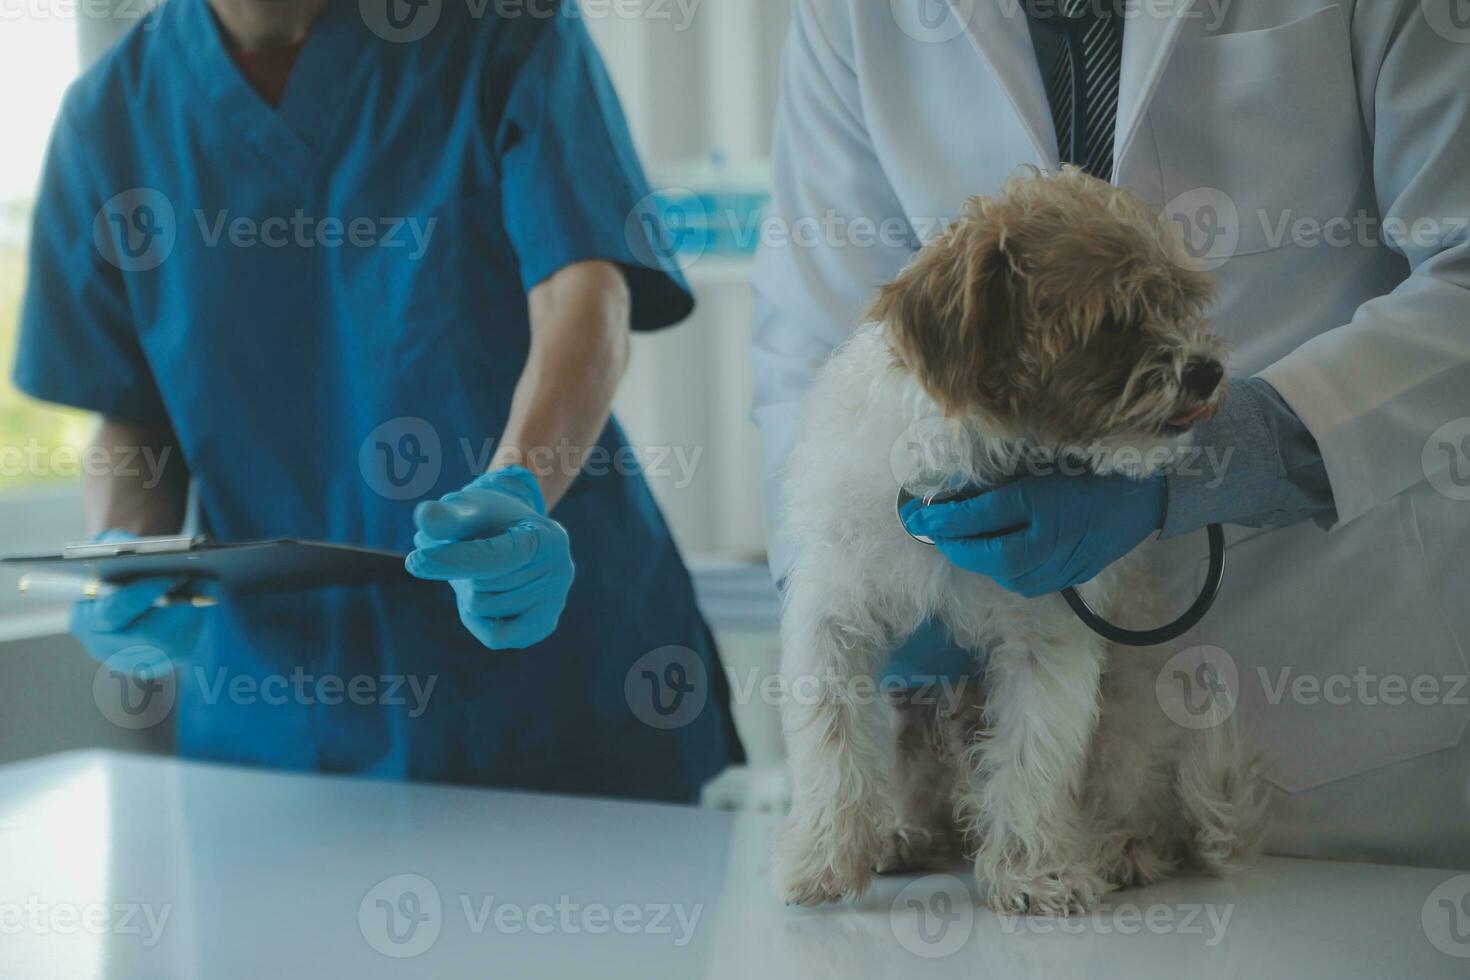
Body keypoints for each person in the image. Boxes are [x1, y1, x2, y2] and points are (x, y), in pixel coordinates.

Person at [752, 0, 1470, 867]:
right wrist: (856, 581)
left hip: (1324, 671)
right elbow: (811, 331)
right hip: (949, 737)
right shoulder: (853, 18)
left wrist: (1239, 450)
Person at [15, 0, 742, 802]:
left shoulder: (505, 26)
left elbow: (585, 291)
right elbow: (129, 408)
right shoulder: (109, 116)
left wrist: (520, 486)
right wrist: (127, 558)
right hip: (279, 723)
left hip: (554, 694)